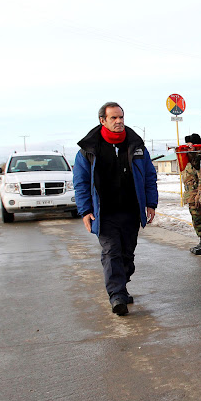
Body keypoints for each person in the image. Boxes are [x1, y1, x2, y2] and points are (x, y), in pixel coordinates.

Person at [73, 102, 158, 316]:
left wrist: (151, 203)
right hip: (105, 212)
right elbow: (81, 182)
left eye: (121, 117)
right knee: (111, 252)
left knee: (127, 254)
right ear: (103, 121)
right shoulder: (88, 149)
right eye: (114, 118)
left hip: (130, 210)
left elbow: (149, 175)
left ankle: (121, 284)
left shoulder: (136, 145)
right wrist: (85, 211)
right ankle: (117, 295)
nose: (119, 121)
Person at [181, 134, 201, 256]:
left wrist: (200, 194)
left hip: (197, 195)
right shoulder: (187, 159)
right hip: (190, 195)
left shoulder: (198, 159)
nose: (188, 147)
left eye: (190, 145)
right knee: (196, 220)